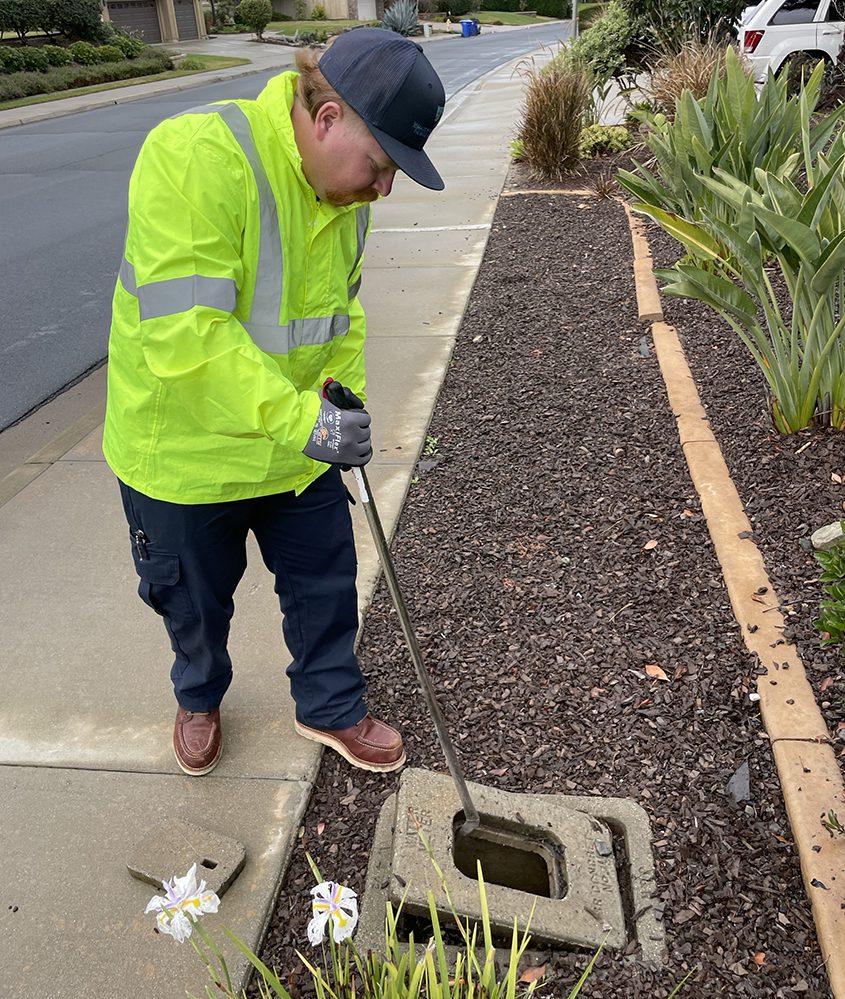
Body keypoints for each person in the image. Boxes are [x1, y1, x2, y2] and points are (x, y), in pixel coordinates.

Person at [102, 28, 446, 777]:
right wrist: (310, 422)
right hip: (184, 455)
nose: (383, 189)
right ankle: (198, 694)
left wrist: (342, 406)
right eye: (381, 166)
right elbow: (187, 341)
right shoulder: (197, 158)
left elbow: (340, 316)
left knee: (324, 582)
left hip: (294, 444)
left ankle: (330, 703)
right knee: (192, 601)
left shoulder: (345, 192)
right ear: (326, 121)